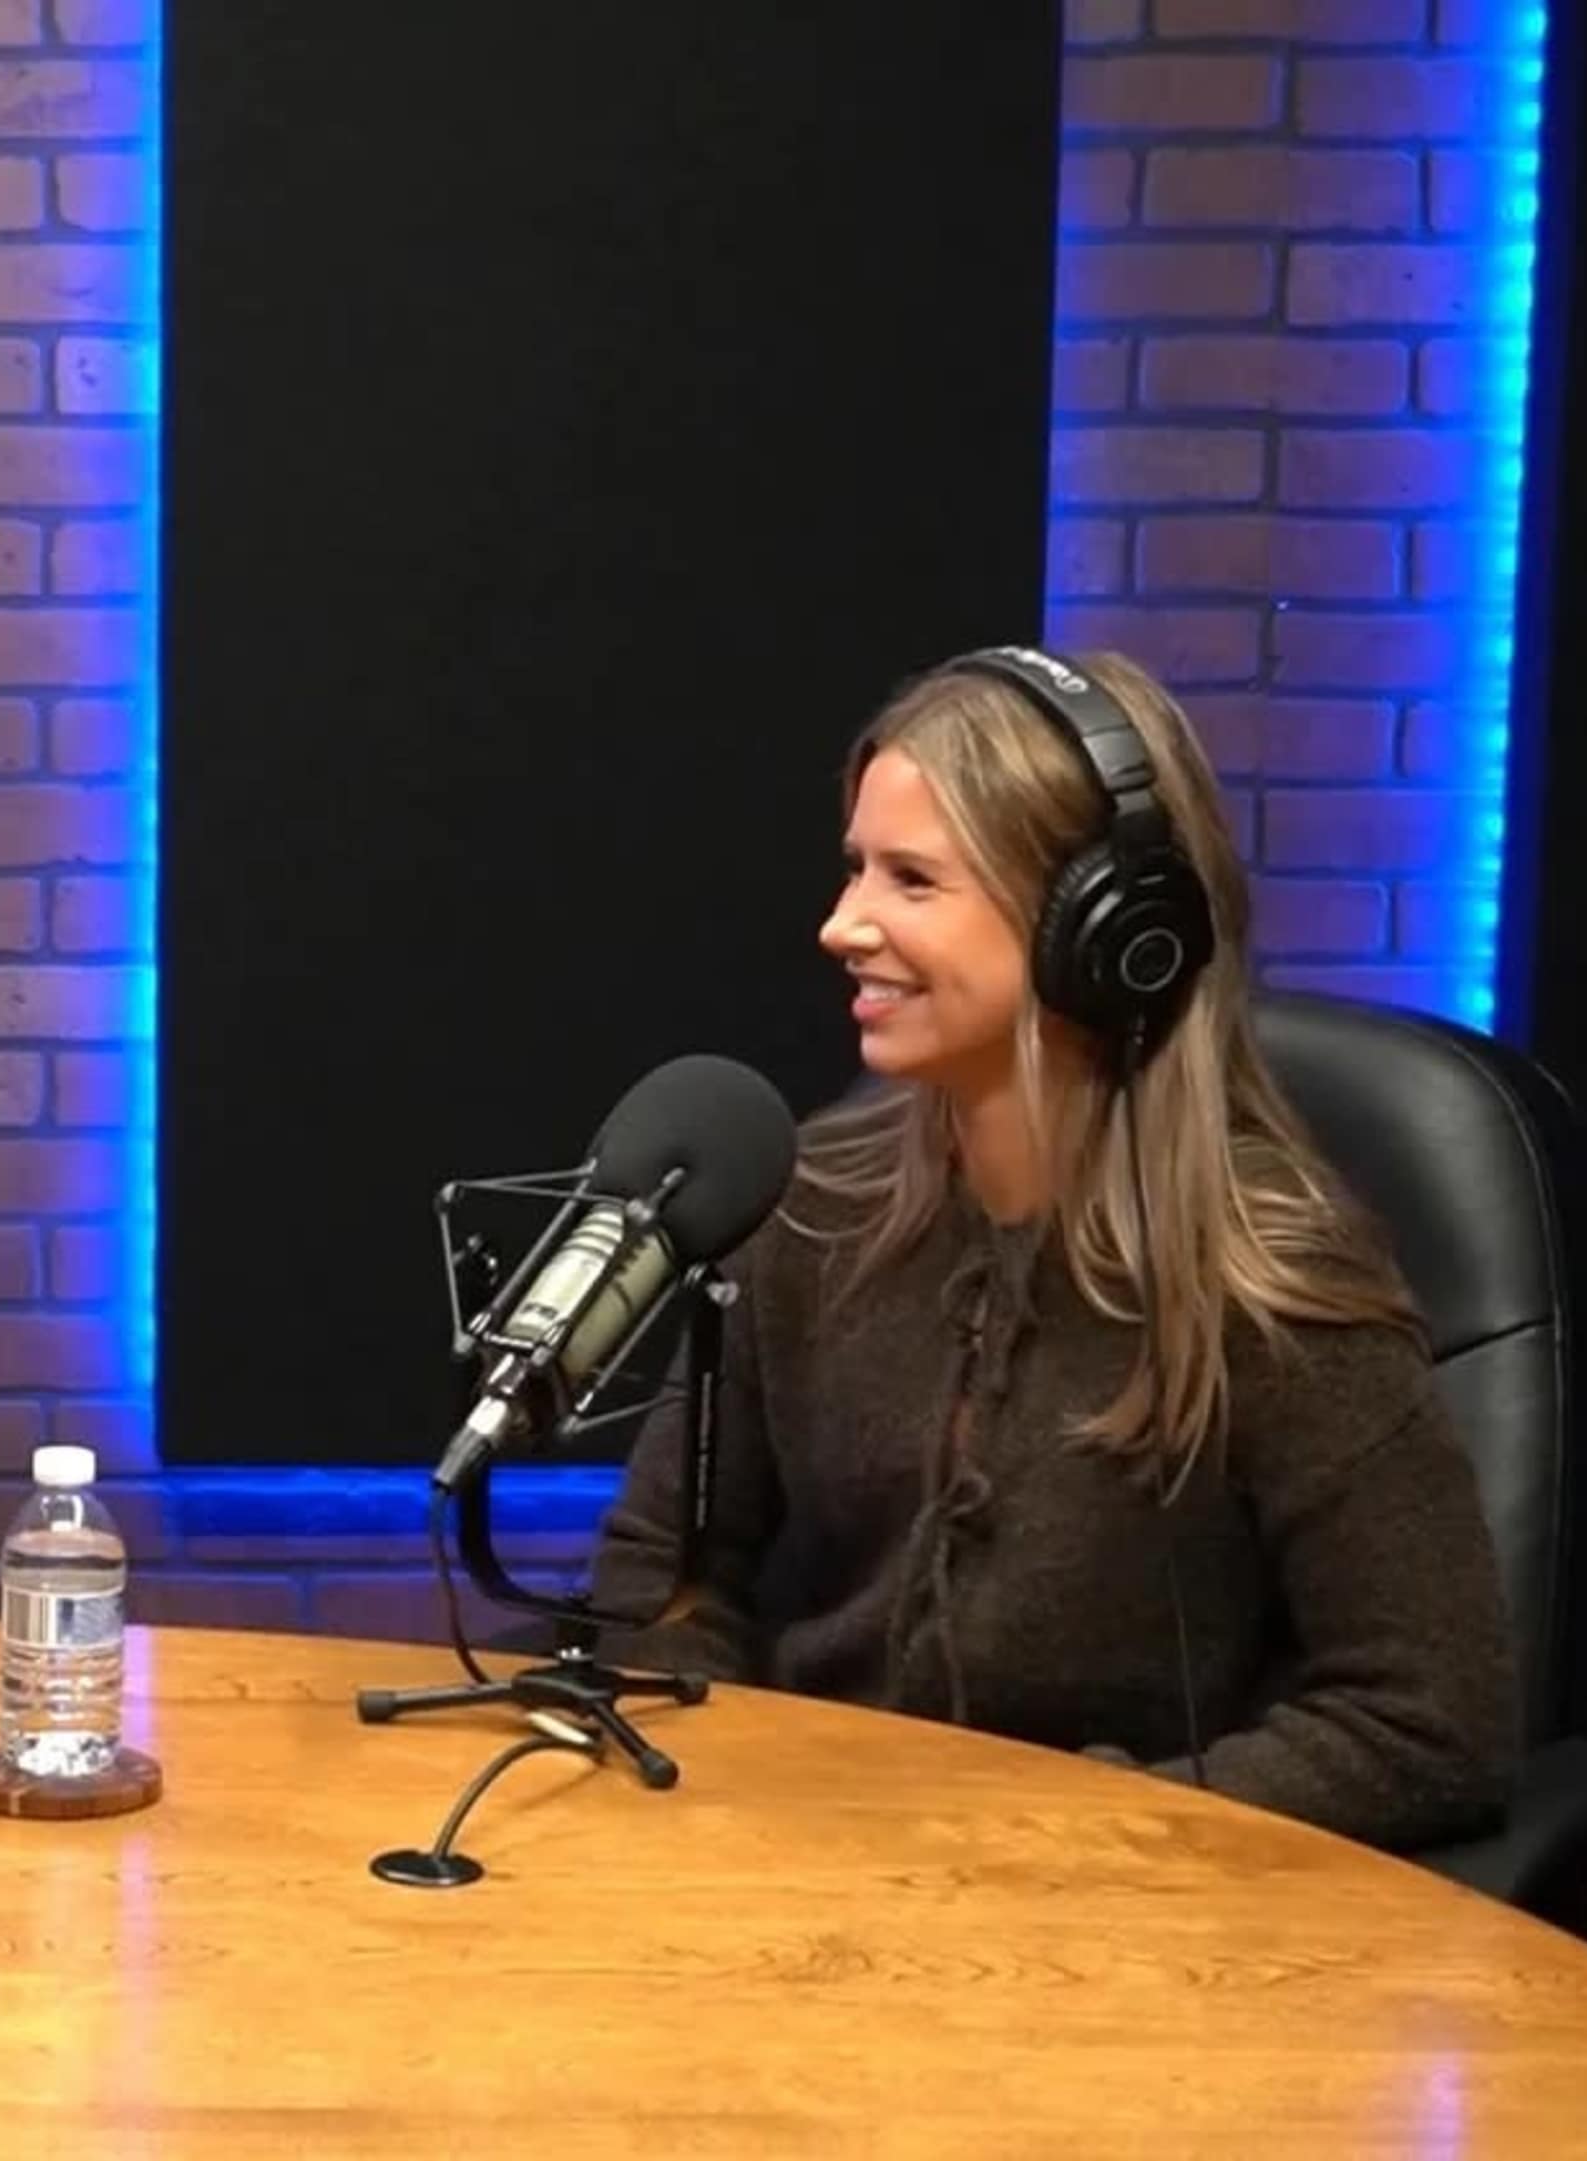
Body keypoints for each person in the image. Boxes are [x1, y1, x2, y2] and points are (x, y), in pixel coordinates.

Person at [584, 643, 1517, 1852]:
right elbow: (666, 1573)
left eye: (912, 880)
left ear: (1104, 928)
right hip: (800, 1886)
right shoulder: (809, 1206)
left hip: (1121, 1942)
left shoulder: (1271, 1285)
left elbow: (1432, 1726)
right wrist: (735, 1784)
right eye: (854, 867)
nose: (841, 925)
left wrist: (1085, 1833)